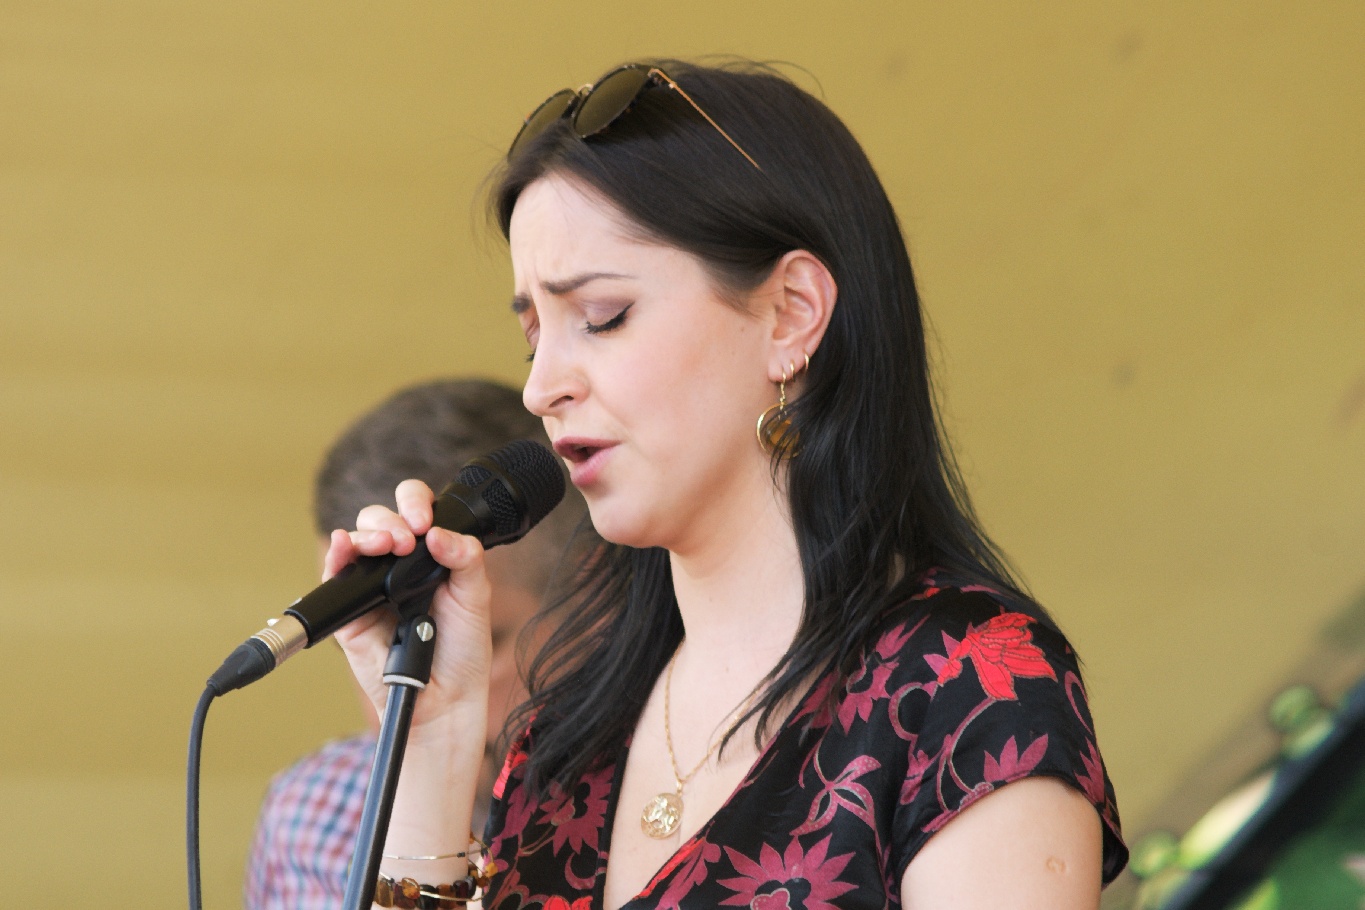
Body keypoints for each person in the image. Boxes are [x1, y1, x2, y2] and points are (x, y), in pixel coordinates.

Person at [330, 60, 1129, 909]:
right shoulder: (564, 741)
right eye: (534, 339)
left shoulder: (966, 678)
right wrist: (430, 749)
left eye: (600, 318)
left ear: (790, 313)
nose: (540, 388)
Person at [244, 378, 587, 910]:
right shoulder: (308, 819)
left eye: (478, 642)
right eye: (376, 645)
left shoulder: (659, 812)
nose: (406, 692)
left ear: (594, 604)